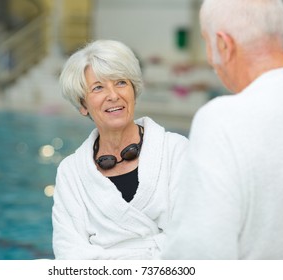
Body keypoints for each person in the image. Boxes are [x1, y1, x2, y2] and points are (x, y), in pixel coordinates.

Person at [162, 0, 283, 259]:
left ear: (224, 44)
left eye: (207, 43)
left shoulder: (221, 120)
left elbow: (201, 253)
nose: (211, 59)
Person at [51, 39, 189, 259]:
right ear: (83, 105)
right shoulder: (71, 172)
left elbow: (191, 235)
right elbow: (68, 252)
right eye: (98, 87)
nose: (113, 95)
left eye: (121, 83)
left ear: (134, 90)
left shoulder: (176, 150)